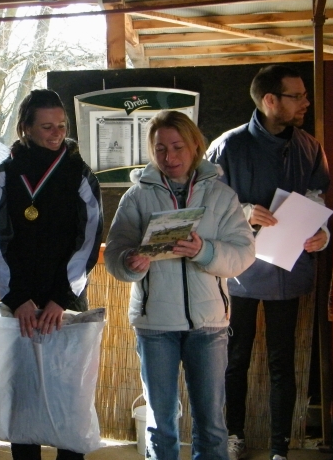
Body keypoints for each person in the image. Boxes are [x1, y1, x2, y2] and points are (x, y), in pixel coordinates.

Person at [104, 110, 255, 460]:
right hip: (155, 324)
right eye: (160, 149)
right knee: (161, 423)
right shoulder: (136, 197)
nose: (169, 157)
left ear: (195, 146)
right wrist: (130, 262)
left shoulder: (222, 196)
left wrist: (205, 251)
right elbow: (114, 255)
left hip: (209, 324)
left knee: (212, 424)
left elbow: (244, 253)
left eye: (177, 147)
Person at [206, 65, 331, 460]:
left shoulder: (310, 147)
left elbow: (318, 197)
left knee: (282, 361)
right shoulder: (228, 146)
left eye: (305, 95)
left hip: (288, 270)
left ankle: (280, 447)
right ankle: (233, 436)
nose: (305, 103)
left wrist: (322, 234)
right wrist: (244, 212)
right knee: (235, 358)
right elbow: (204, 204)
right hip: (238, 272)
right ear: (270, 100)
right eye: (298, 96)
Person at [0, 89, 103, 460]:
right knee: (25, 396)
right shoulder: (5, 175)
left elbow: (89, 239)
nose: (56, 133)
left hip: (65, 302)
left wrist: (61, 299)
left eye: (61, 126)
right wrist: (18, 298)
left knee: (69, 397)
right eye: (47, 126)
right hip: (19, 305)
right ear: (26, 128)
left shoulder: (80, 174)